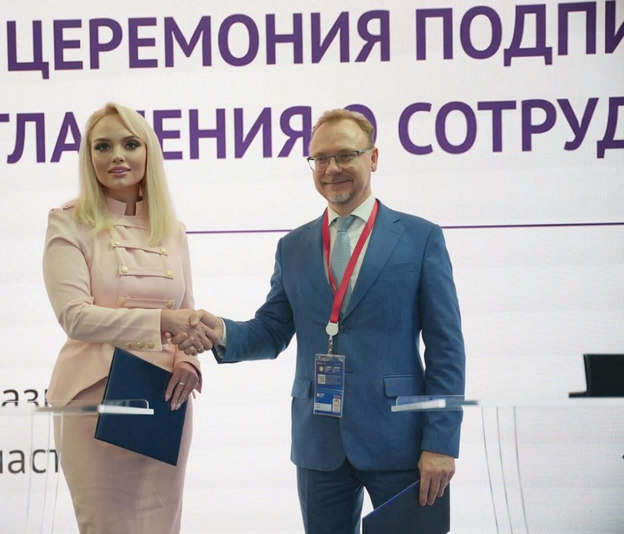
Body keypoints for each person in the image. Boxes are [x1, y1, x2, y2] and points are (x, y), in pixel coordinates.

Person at [171, 108, 466, 534]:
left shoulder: (421, 238)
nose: (332, 169)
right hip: (319, 444)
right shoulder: (293, 246)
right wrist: (223, 331)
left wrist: (441, 442)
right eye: (320, 158)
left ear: (373, 158)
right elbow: (272, 330)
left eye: (345, 155)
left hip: (401, 441)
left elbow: (446, 349)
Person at [42, 102, 212, 534]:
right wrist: (162, 323)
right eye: (103, 146)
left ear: (148, 152)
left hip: (163, 397)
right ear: (89, 157)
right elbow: (75, 317)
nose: (117, 155)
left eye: (130, 144)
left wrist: (188, 360)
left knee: (161, 525)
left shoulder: (172, 229)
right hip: (94, 398)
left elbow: (187, 309)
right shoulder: (68, 222)